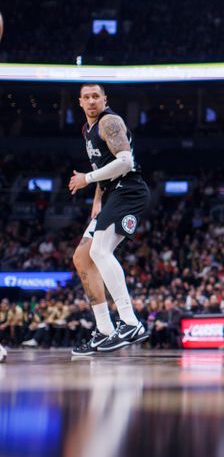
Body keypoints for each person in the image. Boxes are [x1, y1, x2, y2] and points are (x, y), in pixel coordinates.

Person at [69, 83, 151, 355]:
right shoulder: (87, 130)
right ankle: (104, 330)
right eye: (87, 97)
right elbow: (103, 166)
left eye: (96, 96)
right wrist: (96, 200)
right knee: (81, 257)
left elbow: (125, 162)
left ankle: (130, 323)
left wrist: (86, 179)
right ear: (79, 102)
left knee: (100, 250)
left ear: (105, 99)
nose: (92, 101)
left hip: (130, 190)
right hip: (112, 194)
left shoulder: (110, 121)